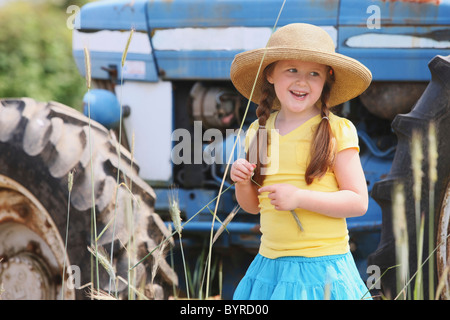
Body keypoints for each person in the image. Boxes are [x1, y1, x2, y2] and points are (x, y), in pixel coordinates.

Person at [229, 23, 373, 300]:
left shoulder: (337, 130)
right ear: (270, 73)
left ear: (326, 79)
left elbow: (358, 202)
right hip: (271, 266)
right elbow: (252, 207)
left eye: (314, 73)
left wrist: (299, 197)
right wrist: (242, 182)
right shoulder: (258, 131)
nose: (302, 81)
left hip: (322, 268)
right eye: (291, 70)